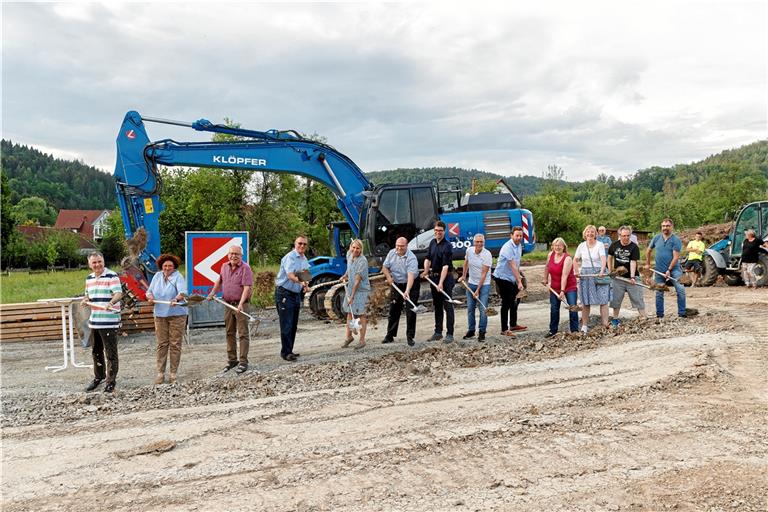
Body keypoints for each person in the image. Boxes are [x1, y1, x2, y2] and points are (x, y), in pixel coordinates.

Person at [208, 245, 253, 373]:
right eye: (231, 253)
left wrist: (241, 303)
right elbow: (219, 281)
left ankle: (243, 361)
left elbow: (246, 288)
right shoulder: (224, 266)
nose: (234, 256)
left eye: (236, 254)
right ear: (228, 255)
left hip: (241, 305)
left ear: (241, 256)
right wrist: (212, 293)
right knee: (229, 332)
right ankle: (232, 360)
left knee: (243, 333)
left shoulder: (246, 268)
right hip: (228, 304)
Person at [83, 251, 123, 393]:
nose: (97, 264)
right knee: (96, 352)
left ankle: (111, 381)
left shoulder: (112, 276)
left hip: (109, 321)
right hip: (95, 321)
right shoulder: (89, 278)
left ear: (103, 261)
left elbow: (118, 293)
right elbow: (88, 296)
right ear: (89, 264)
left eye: (99, 261)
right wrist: (85, 300)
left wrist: (111, 302)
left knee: (110, 353)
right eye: (94, 262)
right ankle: (98, 377)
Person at [146, 253, 188, 385]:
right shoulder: (157, 276)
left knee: (175, 344)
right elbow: (149, 291)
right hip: (160, 314)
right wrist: (150, 297)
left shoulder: (178, 277)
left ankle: (173, 373)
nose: (167, 268)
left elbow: (183, 292)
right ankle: (160, 373)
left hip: (177, 314)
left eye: (170, 265)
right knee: (161, 344)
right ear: (161, 266)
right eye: (165, 265)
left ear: (174, 266)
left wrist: (176, 299)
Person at [274, 236, 310, 361]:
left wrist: (305, 285)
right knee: (286, 324)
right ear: (295, 244)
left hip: (295, 294)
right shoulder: (290, 257)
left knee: (293, 324)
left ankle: (290, 350)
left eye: (304, 244)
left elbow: (304, 275)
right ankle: (285, 353)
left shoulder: (304, 258)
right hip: (284, 293)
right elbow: (290, 276)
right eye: (300, 243)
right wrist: (301, 283)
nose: (302, 246)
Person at [382, 236, 420, 347]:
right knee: (394, 309)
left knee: (411, 310)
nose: (399, 248)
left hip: (411, 284)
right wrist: (389, 277)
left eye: (402, 246)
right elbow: (384, 267)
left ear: (406, 246)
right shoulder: (391, 253)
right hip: (396, 284)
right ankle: (390, 335)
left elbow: (411, 276)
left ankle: (410, 336)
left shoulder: (411, 258)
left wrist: (407, 290)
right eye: (397, 245)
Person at [422, 221, 456, 343]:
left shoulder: (447, 246)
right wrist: (426, 271)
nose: (438, 233)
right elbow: (427, 258)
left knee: (448, 305)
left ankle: (450, 334)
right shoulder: (432, 243)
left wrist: (441, 283)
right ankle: (438, 332)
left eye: (440, 231)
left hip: (446, 279)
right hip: (434, 278)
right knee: (437, 306)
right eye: (436, 231)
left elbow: (445, 267)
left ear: (444, 231)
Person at [645, 218, 687, 318]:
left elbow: (676, 257)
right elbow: (648, 250)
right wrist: (648, 264)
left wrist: (669, 270)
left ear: (672, 227)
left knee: (680, 289)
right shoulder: (656, 238)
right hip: (659, 270)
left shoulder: (675, 240)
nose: (665, 228)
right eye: (663, 226)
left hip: (674, 269)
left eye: (667, 226)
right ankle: (660, 315)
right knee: (659, 291)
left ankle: (682, 313)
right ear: (661, 227)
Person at [574, 225, 610, 332]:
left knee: (603, 300)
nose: (590, 234)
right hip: (585, 273)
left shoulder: (600, 245)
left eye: (592, 232)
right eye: (588, 232)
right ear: (585, 234)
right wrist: (576, 272)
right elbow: (575, 260)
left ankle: (605, 324)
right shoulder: (581, 246)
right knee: (585, 301)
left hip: (599, 273)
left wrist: (603, 271)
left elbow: (603, 258)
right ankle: (584, 325)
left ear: (596, 234)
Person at [607, 226, 646, 324]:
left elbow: (633, 262)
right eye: (623, 236)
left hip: (631, 277)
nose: (626, 238)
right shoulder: (614, 245)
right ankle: (615, 319)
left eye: (628, 236)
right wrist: (610, 270)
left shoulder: (634, 247)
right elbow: (609, 257)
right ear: (619, 235)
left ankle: (643, 317)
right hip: (618, 277)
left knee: (637, 298)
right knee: (616, 299)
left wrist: (632, 277)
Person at [493, 226, 526, 337]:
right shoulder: (507, 247)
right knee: (506, 302)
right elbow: (512, 265)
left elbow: (517, 263)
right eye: (516, 235)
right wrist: (519, 281)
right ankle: (504, 329)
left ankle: (513, 324)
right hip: (502, 277)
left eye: (520, 236)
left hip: (512, 276)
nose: (518, 237)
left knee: (515, 300)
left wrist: (519, 276)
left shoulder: (519, 246)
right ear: (511, 235)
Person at [458, 233, 492, 342]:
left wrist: (477, 290)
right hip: (471, 283)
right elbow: (466, 263)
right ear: (474, 243)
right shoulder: (469, 251)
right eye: (477, 242)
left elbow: (484, 274)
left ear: (484, 243)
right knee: (470, 309)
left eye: (481, 242)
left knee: (483, 309)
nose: (479, 244)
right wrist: (463, 275)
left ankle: (482, 332)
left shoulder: (487, 255)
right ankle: (471, 330)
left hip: (484, 284)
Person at [542, 237, 578, 337]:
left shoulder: (567, 258)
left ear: (563, 247)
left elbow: (564, 275)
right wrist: (545, 278)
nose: (557, 247)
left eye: (559, 245)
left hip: (569, 286)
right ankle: (552, 330)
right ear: (553, 246)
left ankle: (574, 331)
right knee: (554, 308)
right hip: (554, 287)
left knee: (572, 307)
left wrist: (562, 291)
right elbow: (547, 267)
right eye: (555, 245)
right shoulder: (550, 255)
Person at [341, 239, 371, 349]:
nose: (355, 250)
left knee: (361, 314)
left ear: (361, 249)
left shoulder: (362, 261)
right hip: (351, 288)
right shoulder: (349, 255)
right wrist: (345, 275)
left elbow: (358, 281)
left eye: (358, 248)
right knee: (349, 313)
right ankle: (349, 337)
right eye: (353, 247)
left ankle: (362, 340)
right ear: (350, 247)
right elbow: (349, 268)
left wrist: (352, 296)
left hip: (361, 290)